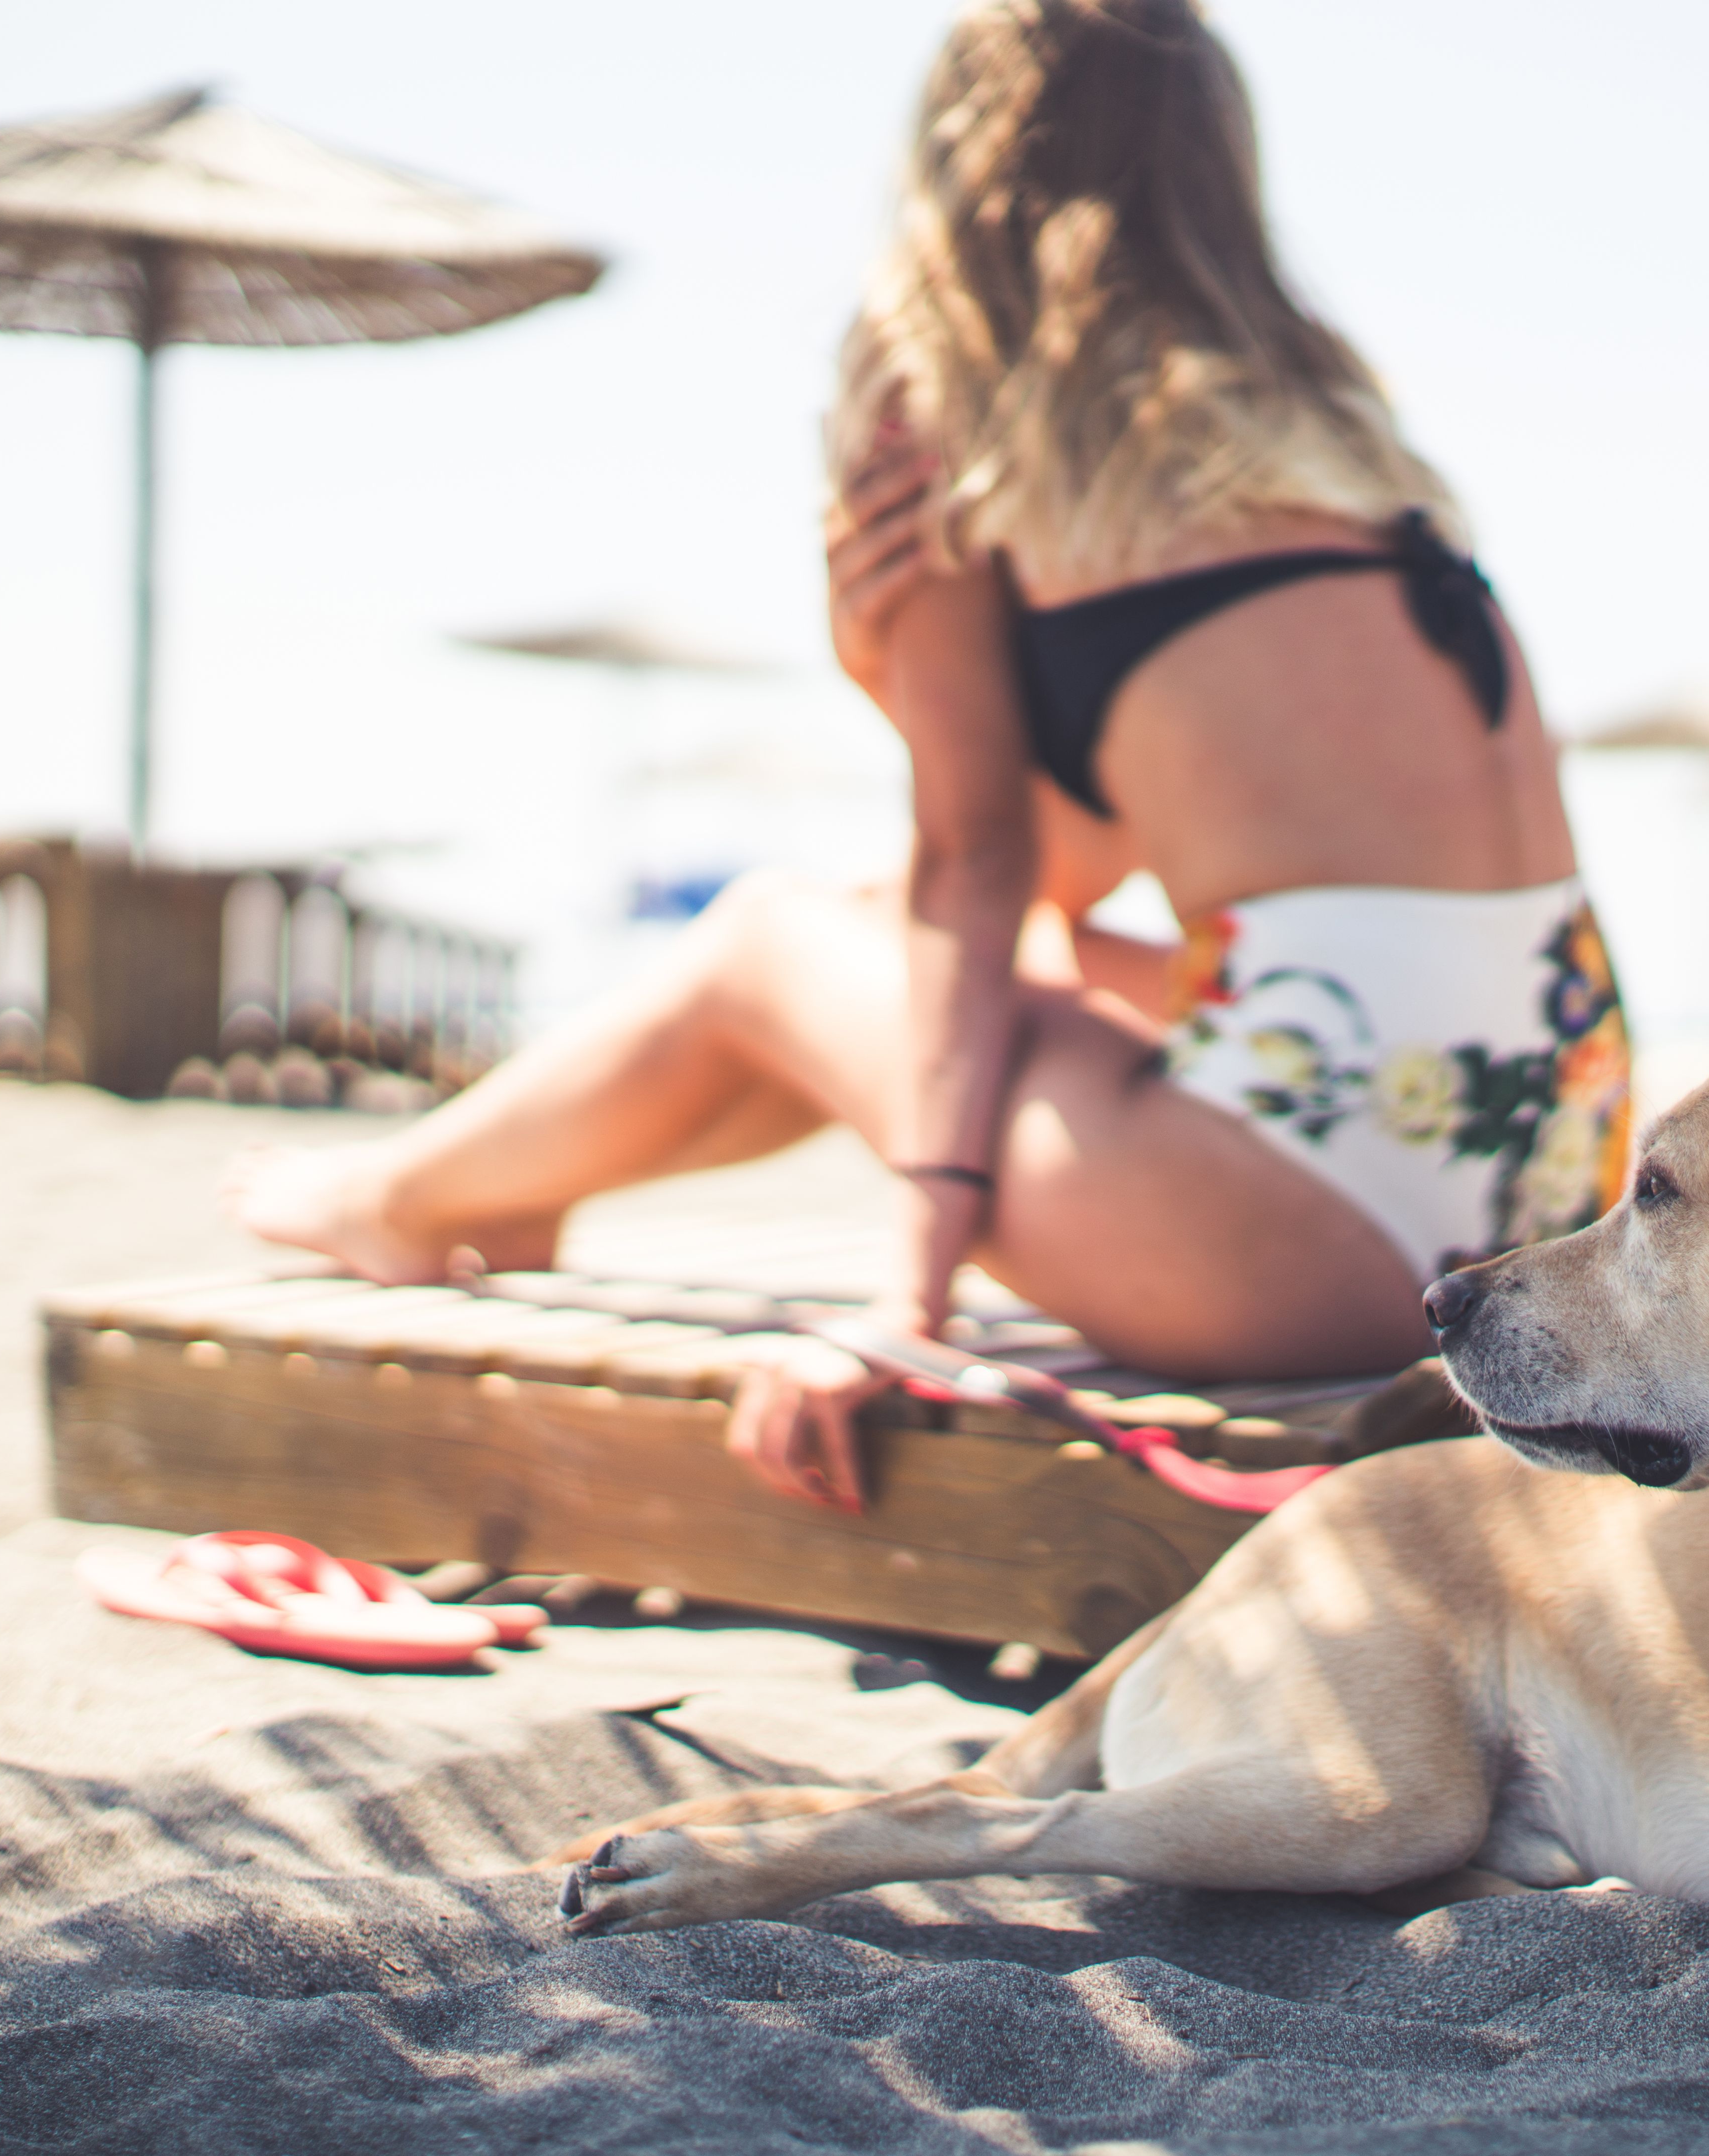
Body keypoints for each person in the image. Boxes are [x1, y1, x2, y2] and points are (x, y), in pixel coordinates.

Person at [232, 0, 1631, 1507]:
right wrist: (898, 683)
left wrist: (912, 1307)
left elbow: (977, 875)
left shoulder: (962, 397)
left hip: (1291, 1250)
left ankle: (397, 1193)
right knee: (904, 949)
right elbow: (1077, 866)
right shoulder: (1336, 437)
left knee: (777, 936)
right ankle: (497, 1186)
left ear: (968, 152)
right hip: (1550, 1191)